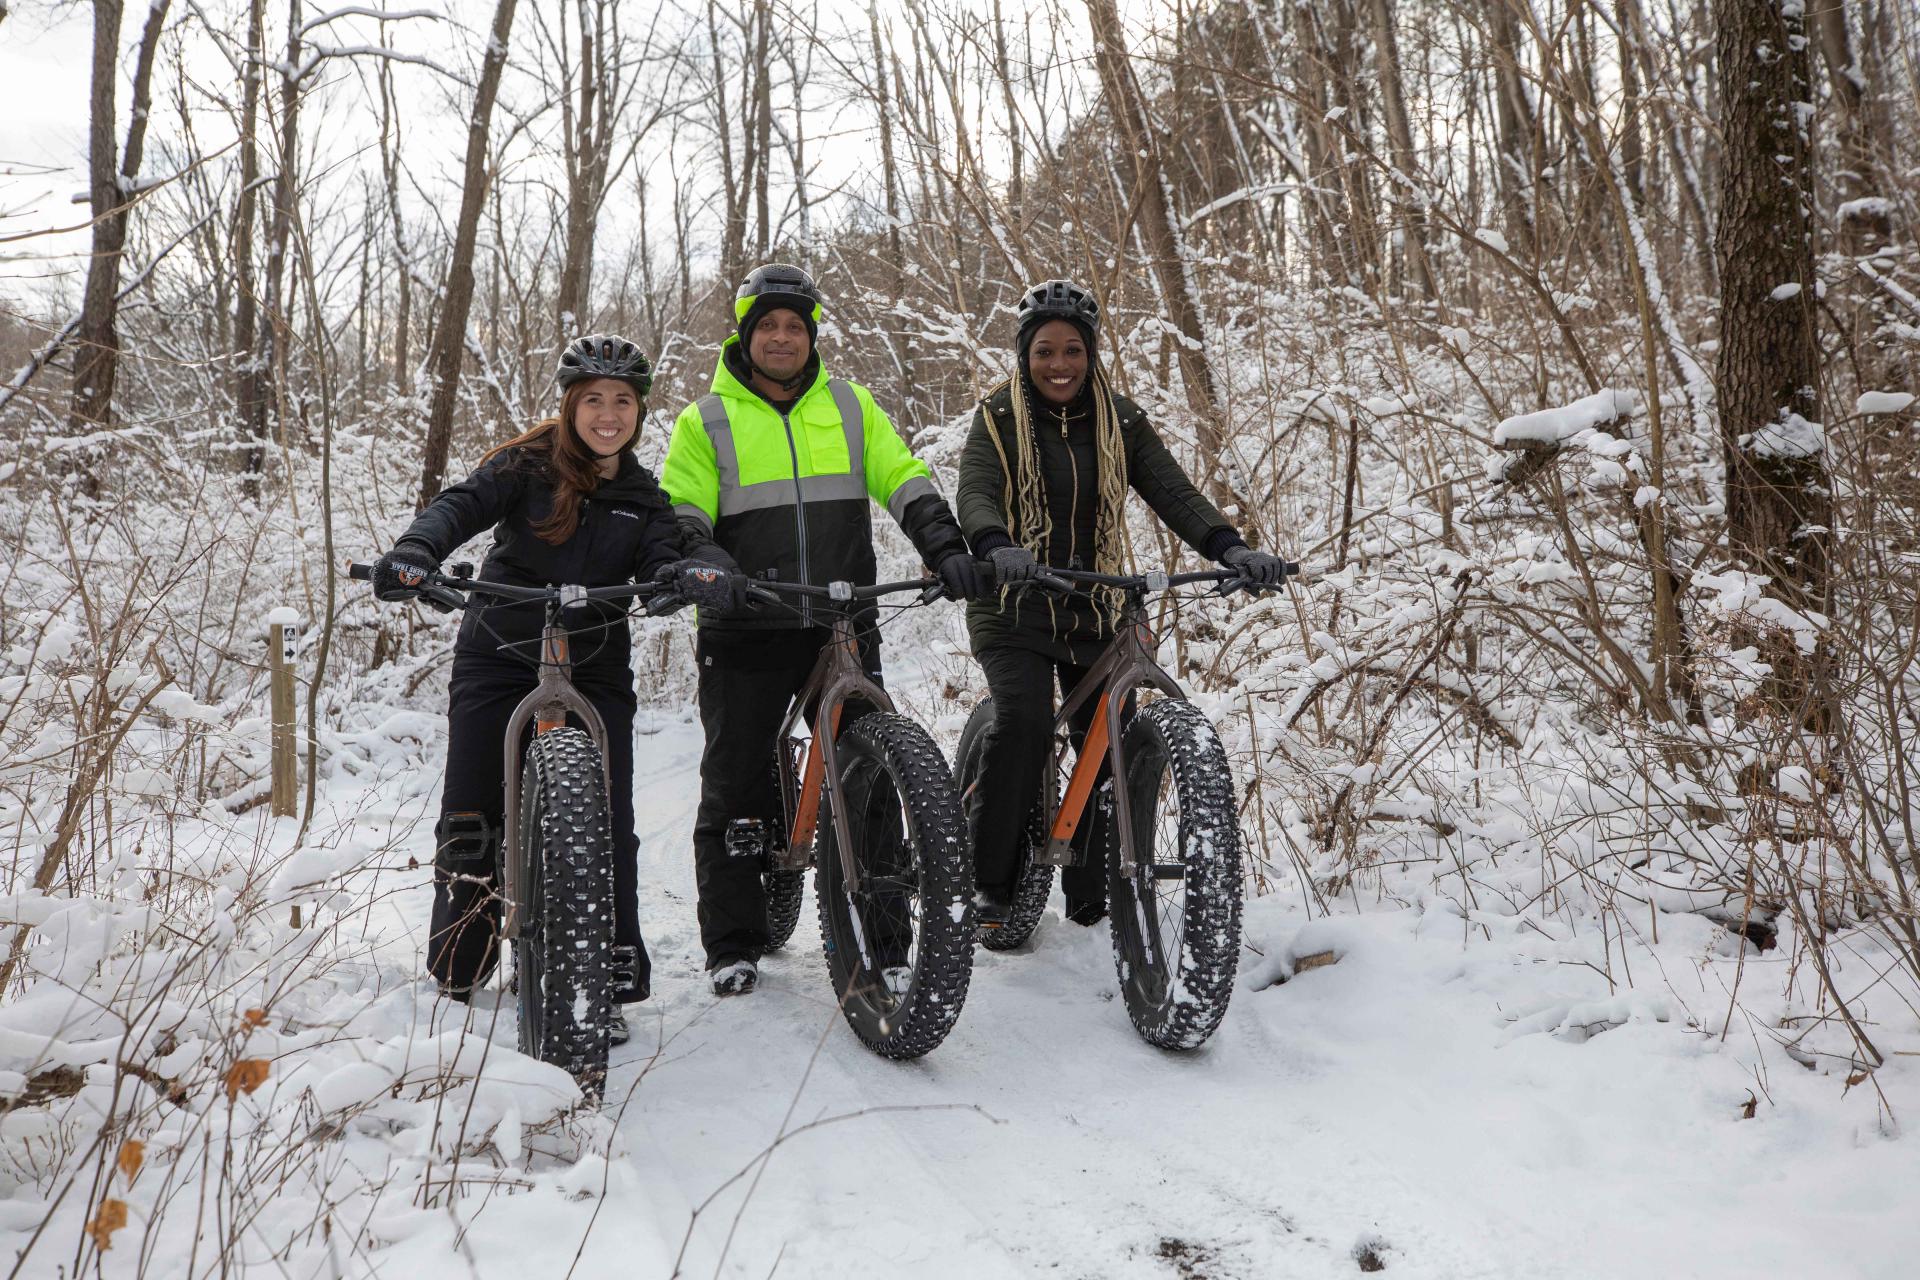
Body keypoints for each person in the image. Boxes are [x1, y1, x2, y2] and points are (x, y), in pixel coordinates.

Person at [369, 334, 735, 1042]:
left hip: (593, 657)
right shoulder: (523, 468)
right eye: (593, 399)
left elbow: (673, 549)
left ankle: (608, 973)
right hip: (501, 648)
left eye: (622, 401)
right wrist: (418, 551)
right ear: (570, 407)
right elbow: (459, 506)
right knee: (473, 812)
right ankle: (458, 965)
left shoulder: (641, 495)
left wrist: (696, 573)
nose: (608, 413)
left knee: (608, 819)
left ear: (638, 411)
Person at [660, 263, 987, 996]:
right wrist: (704, 556)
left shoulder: (849, 406)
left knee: (869, 778)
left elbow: (904, 479)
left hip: (842, 620)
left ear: (812, 336)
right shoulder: (705, 420)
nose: (782, 338)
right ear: (744, 335)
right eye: (768, 326)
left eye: (795, 327)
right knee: (736, 780)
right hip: (746, 624)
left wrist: (945, 548)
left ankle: (885, 937)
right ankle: (734, 942)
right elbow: (682, 509)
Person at [955, 279, 1291, 925]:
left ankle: (1090, 895)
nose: (1060, 365)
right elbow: (977, 492)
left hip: (1098, 608)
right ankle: (986, 885)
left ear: (1093, 354)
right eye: (1045, 350)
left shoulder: (1122, 420)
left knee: (1106, 745)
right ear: (1025, 354)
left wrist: (1231, 548)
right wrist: (996, 544)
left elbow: (1174, 493)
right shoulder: (997, 417)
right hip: (1016, 605)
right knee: (1022, 722)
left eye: (1073, 350)